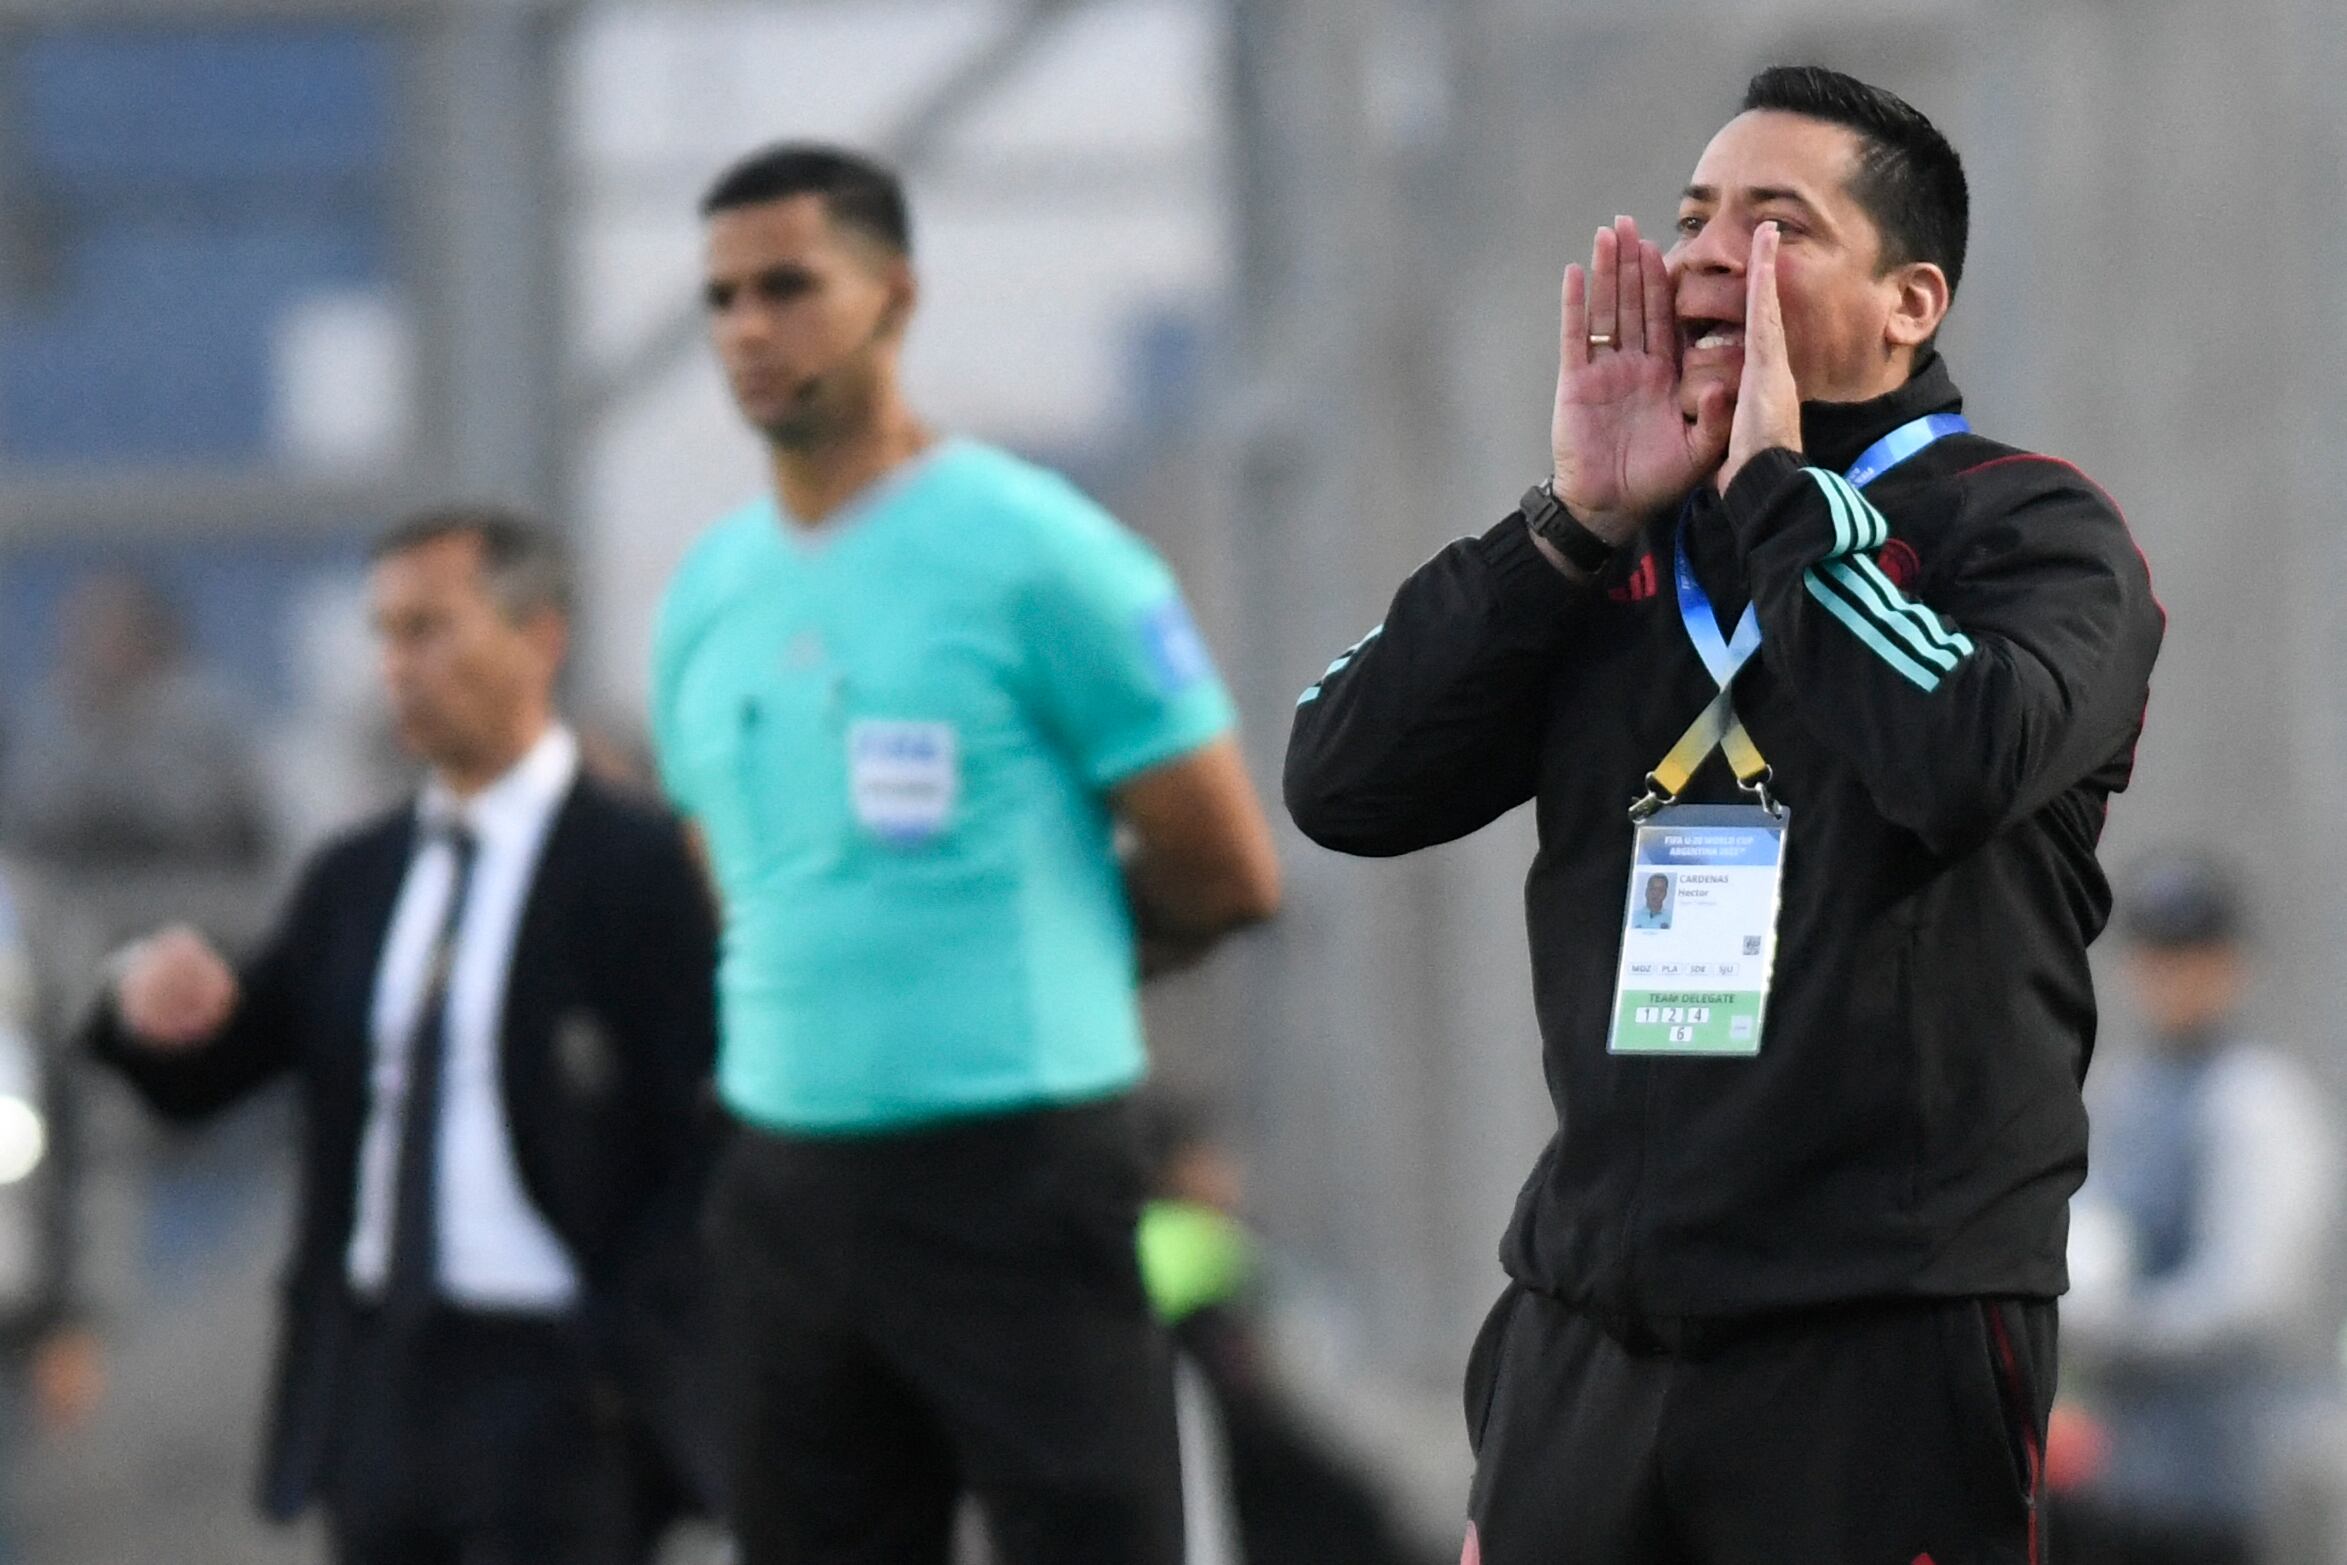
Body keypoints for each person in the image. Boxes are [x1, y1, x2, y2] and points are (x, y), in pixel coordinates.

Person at [1285, 65, 2165, 1564]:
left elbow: (1959, 751)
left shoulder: (2025, 530)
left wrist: (1775, 493)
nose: (1706, 255)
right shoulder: (1612, 542)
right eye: (1693, 217)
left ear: (1908, 304)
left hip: (1877, 1330)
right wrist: (1566, 522)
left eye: (1775, 225)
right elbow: (1342, 781)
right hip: (1589, 1329)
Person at [651, 143, 1284, 1565]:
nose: (748, 328)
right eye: (721, 299)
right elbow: (739, 885)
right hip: (783, 1192)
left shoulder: (1040, 555)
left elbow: (1224, 868)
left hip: (1013, 1178)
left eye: (789, 286)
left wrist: (1044, 950)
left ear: (892, 295)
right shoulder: (706, 594)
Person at [86, 509, 723, 1565]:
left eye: (431, 628)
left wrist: (623, 1353)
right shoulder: (359, 876)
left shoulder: (634, 865)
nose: (400, 664)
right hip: (380, 1380)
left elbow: (707, 1134)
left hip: (557, 1386)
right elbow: (211, 1067)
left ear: (539, 637)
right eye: (386, 633)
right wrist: (131, 999)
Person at [2053, 855, 2338, 1565]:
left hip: (2238, 1481)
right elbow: (2091, 1237)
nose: (2171, 976)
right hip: (2130, 1479)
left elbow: (2248, 1300)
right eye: (2155, 955)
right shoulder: (2126, 1091)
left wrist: (2106, 1327)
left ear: (2231, 962)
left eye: (2190, 954)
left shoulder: (2259, 1100)